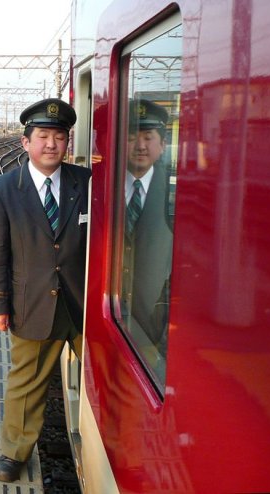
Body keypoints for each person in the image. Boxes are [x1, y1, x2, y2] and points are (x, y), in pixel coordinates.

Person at [0, 98, 91, 482]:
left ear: (67, 142)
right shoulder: (3, 190)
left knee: (105, 377)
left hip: (85, 303)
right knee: (26, 382)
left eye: (59, 137)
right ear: (26, 142)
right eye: (43, 136)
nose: (51, 144)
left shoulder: (87, 183)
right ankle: (14, 452)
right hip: (32, 302)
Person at [122, 99, 173, 362]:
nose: (140, 146)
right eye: (132, 137)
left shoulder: (178, 193)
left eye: (148, 137)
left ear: (162, 144)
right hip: (103, 313)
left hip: (152, 321)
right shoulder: (97, 187)